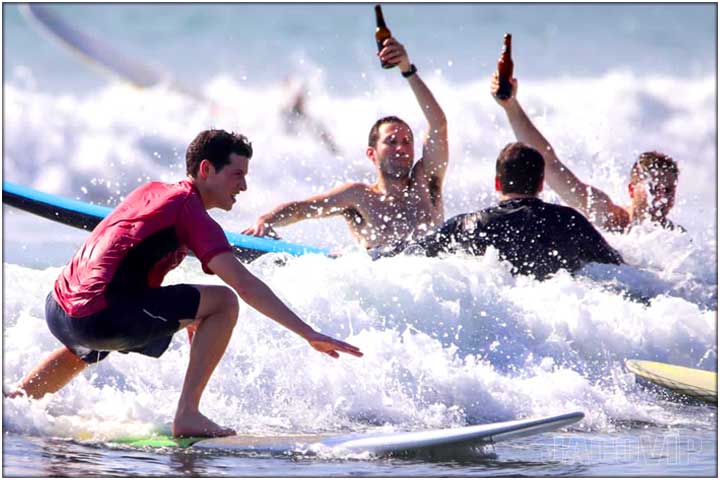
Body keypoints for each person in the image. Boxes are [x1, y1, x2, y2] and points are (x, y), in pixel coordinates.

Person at [7, 129, 363, 438]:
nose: (244, 186)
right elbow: (244, 284)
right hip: (100, 317)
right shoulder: (189, 210)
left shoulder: (153, 191)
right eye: (237, 174)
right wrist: (307, 332)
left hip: (60, 308)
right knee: (224, 302)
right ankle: (188, 414)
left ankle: (14, 405)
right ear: (206, 169)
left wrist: (190, 317)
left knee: (87, 348)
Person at [244, 36, 449, 252]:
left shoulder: (425, 182)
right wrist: (265, 220)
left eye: (407, 141)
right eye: (391, 141)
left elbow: (439, 124)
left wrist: (407, 70)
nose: (401, 148)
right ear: (372, 154)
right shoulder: (358, 197)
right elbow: (303, 209)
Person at [379, 142, 623, 280]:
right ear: (540, 184)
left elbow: (411, 252)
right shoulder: (570, 220)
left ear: (497, 183)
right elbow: (618, 268)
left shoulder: (469, 225)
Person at [491, 73, 681, 233]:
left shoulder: (676, 240)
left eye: (668, 191)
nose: (661, 199)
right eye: (654, 189)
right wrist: (511, 107)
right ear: (632, 190)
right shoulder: (605, 215)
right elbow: (549, 164)